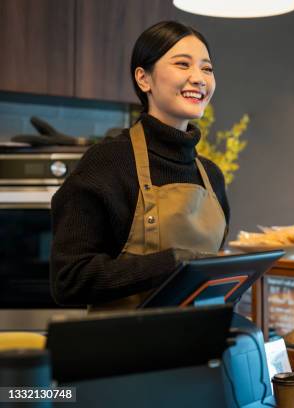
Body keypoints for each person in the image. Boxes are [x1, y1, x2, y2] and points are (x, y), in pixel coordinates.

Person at [50, 21, 229, 310]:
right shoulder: (107, 163)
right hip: (125, 350)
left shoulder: (211, 175)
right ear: (144, 79)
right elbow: (69, 280)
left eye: (206, 68)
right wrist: (171, 262)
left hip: (198, 348)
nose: (199, 78)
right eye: (183, 64)